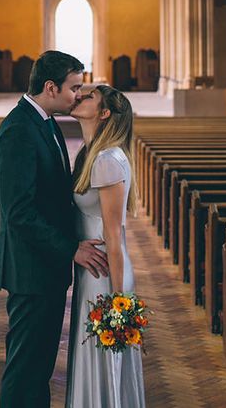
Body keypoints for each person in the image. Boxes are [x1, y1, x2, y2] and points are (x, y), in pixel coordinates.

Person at [0, 50, 110, 408]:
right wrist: (72, 248)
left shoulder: (45, 123)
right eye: (74, 87)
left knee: (39, 366)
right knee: (26, 367)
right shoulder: (18, 130)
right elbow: (19, 213)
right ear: (50, 86)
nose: (78, 94)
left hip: (45, 268)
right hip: (31, 271)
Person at [66, 85, 146, 408]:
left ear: (104, 114)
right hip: (92, 268)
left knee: (105, 360)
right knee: (94, 360)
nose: (79, 97)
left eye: (88, 96)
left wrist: (118, 303)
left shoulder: (107, 160)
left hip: (104, 273)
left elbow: (113, 237)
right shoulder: (91, 155)